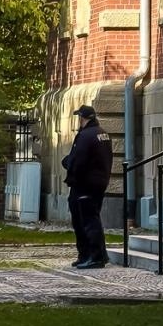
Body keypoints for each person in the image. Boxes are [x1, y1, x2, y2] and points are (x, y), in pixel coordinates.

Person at [62, 104, 114, 269]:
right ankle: (91, 255)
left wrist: (68, 163)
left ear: (83, 118)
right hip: (99, 182)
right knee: (92, 218)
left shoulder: (85, 136)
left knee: (85, 221)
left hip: (84, 184)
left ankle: (94, 256)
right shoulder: (103, 134)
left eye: (79, 117)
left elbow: (77, 161)